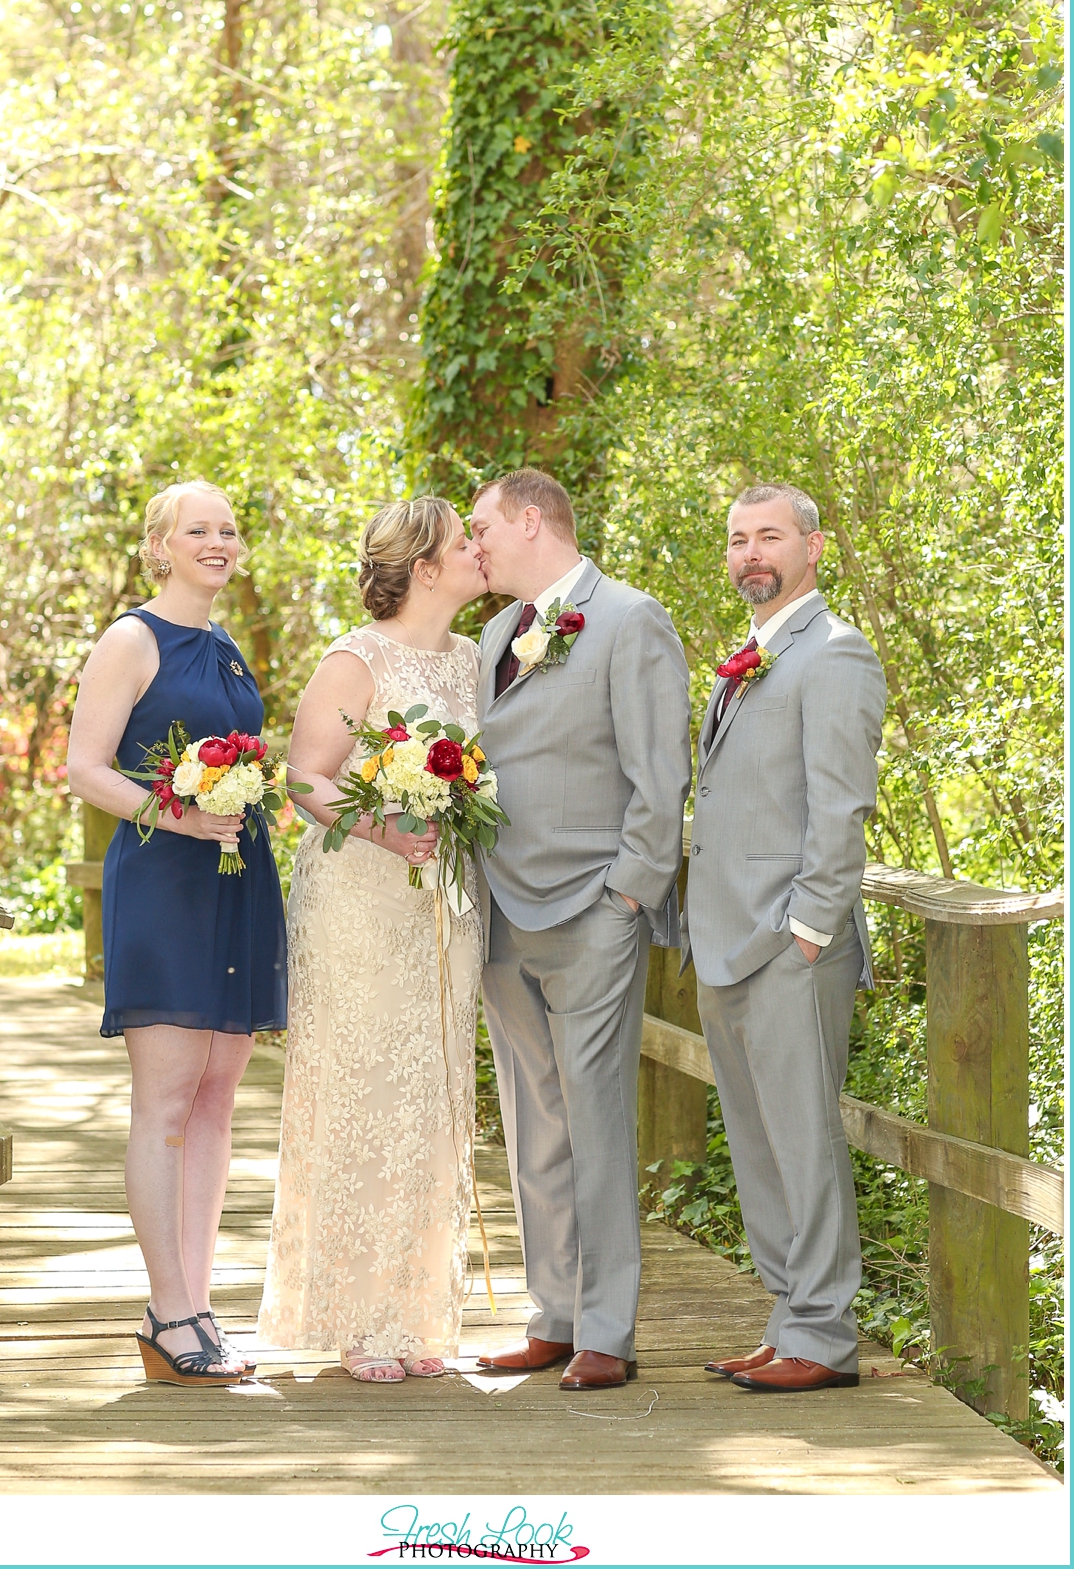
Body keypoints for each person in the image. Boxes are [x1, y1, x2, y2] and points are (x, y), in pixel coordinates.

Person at [468, 469, 690, 1391]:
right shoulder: (493, 635)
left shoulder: (631, 619)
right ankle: (553, 1314)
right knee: (532, 1124)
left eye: (481, 527)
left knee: (595, 1119)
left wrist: (628, 896)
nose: (471, 544)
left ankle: (608, 1329)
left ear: (531, 520)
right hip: (500, 912)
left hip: (594, 909)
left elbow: (659, 774)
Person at [258, 497, 487, 1381]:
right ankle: (358, 1316)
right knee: (364, 1088)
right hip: (359, 896)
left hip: (442, 899)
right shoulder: (356, 659)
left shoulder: (473, 660)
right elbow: (303, 778)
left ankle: (419, 1312)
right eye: (463, 542)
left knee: (434, 1092)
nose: (477, 550)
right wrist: (384, 828)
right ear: (425, 567)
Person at [67, 481, 287, 1385]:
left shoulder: (226, 647)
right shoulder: (132, 640)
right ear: (158, 545)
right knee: (165, 1098)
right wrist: (177, 813)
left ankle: (198, 1304)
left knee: (217, 1093)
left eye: (229, 529)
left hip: (235, 874)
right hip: (165, 876)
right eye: (198, 529)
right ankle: (168, 1313)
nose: (218, 541)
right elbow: (84, 768)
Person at [685, 482, 886, 1393]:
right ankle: (789, 1318)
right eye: (737, 539)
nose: (750, 554)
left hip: (789, 946)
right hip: (725, 939)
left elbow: (841, 810)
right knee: (758, 1141)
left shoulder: (836, 656)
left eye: (769, 536)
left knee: (803, 1141)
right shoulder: (752, 655)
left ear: (812, 547)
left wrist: (808, 930)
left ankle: (825, 1339)